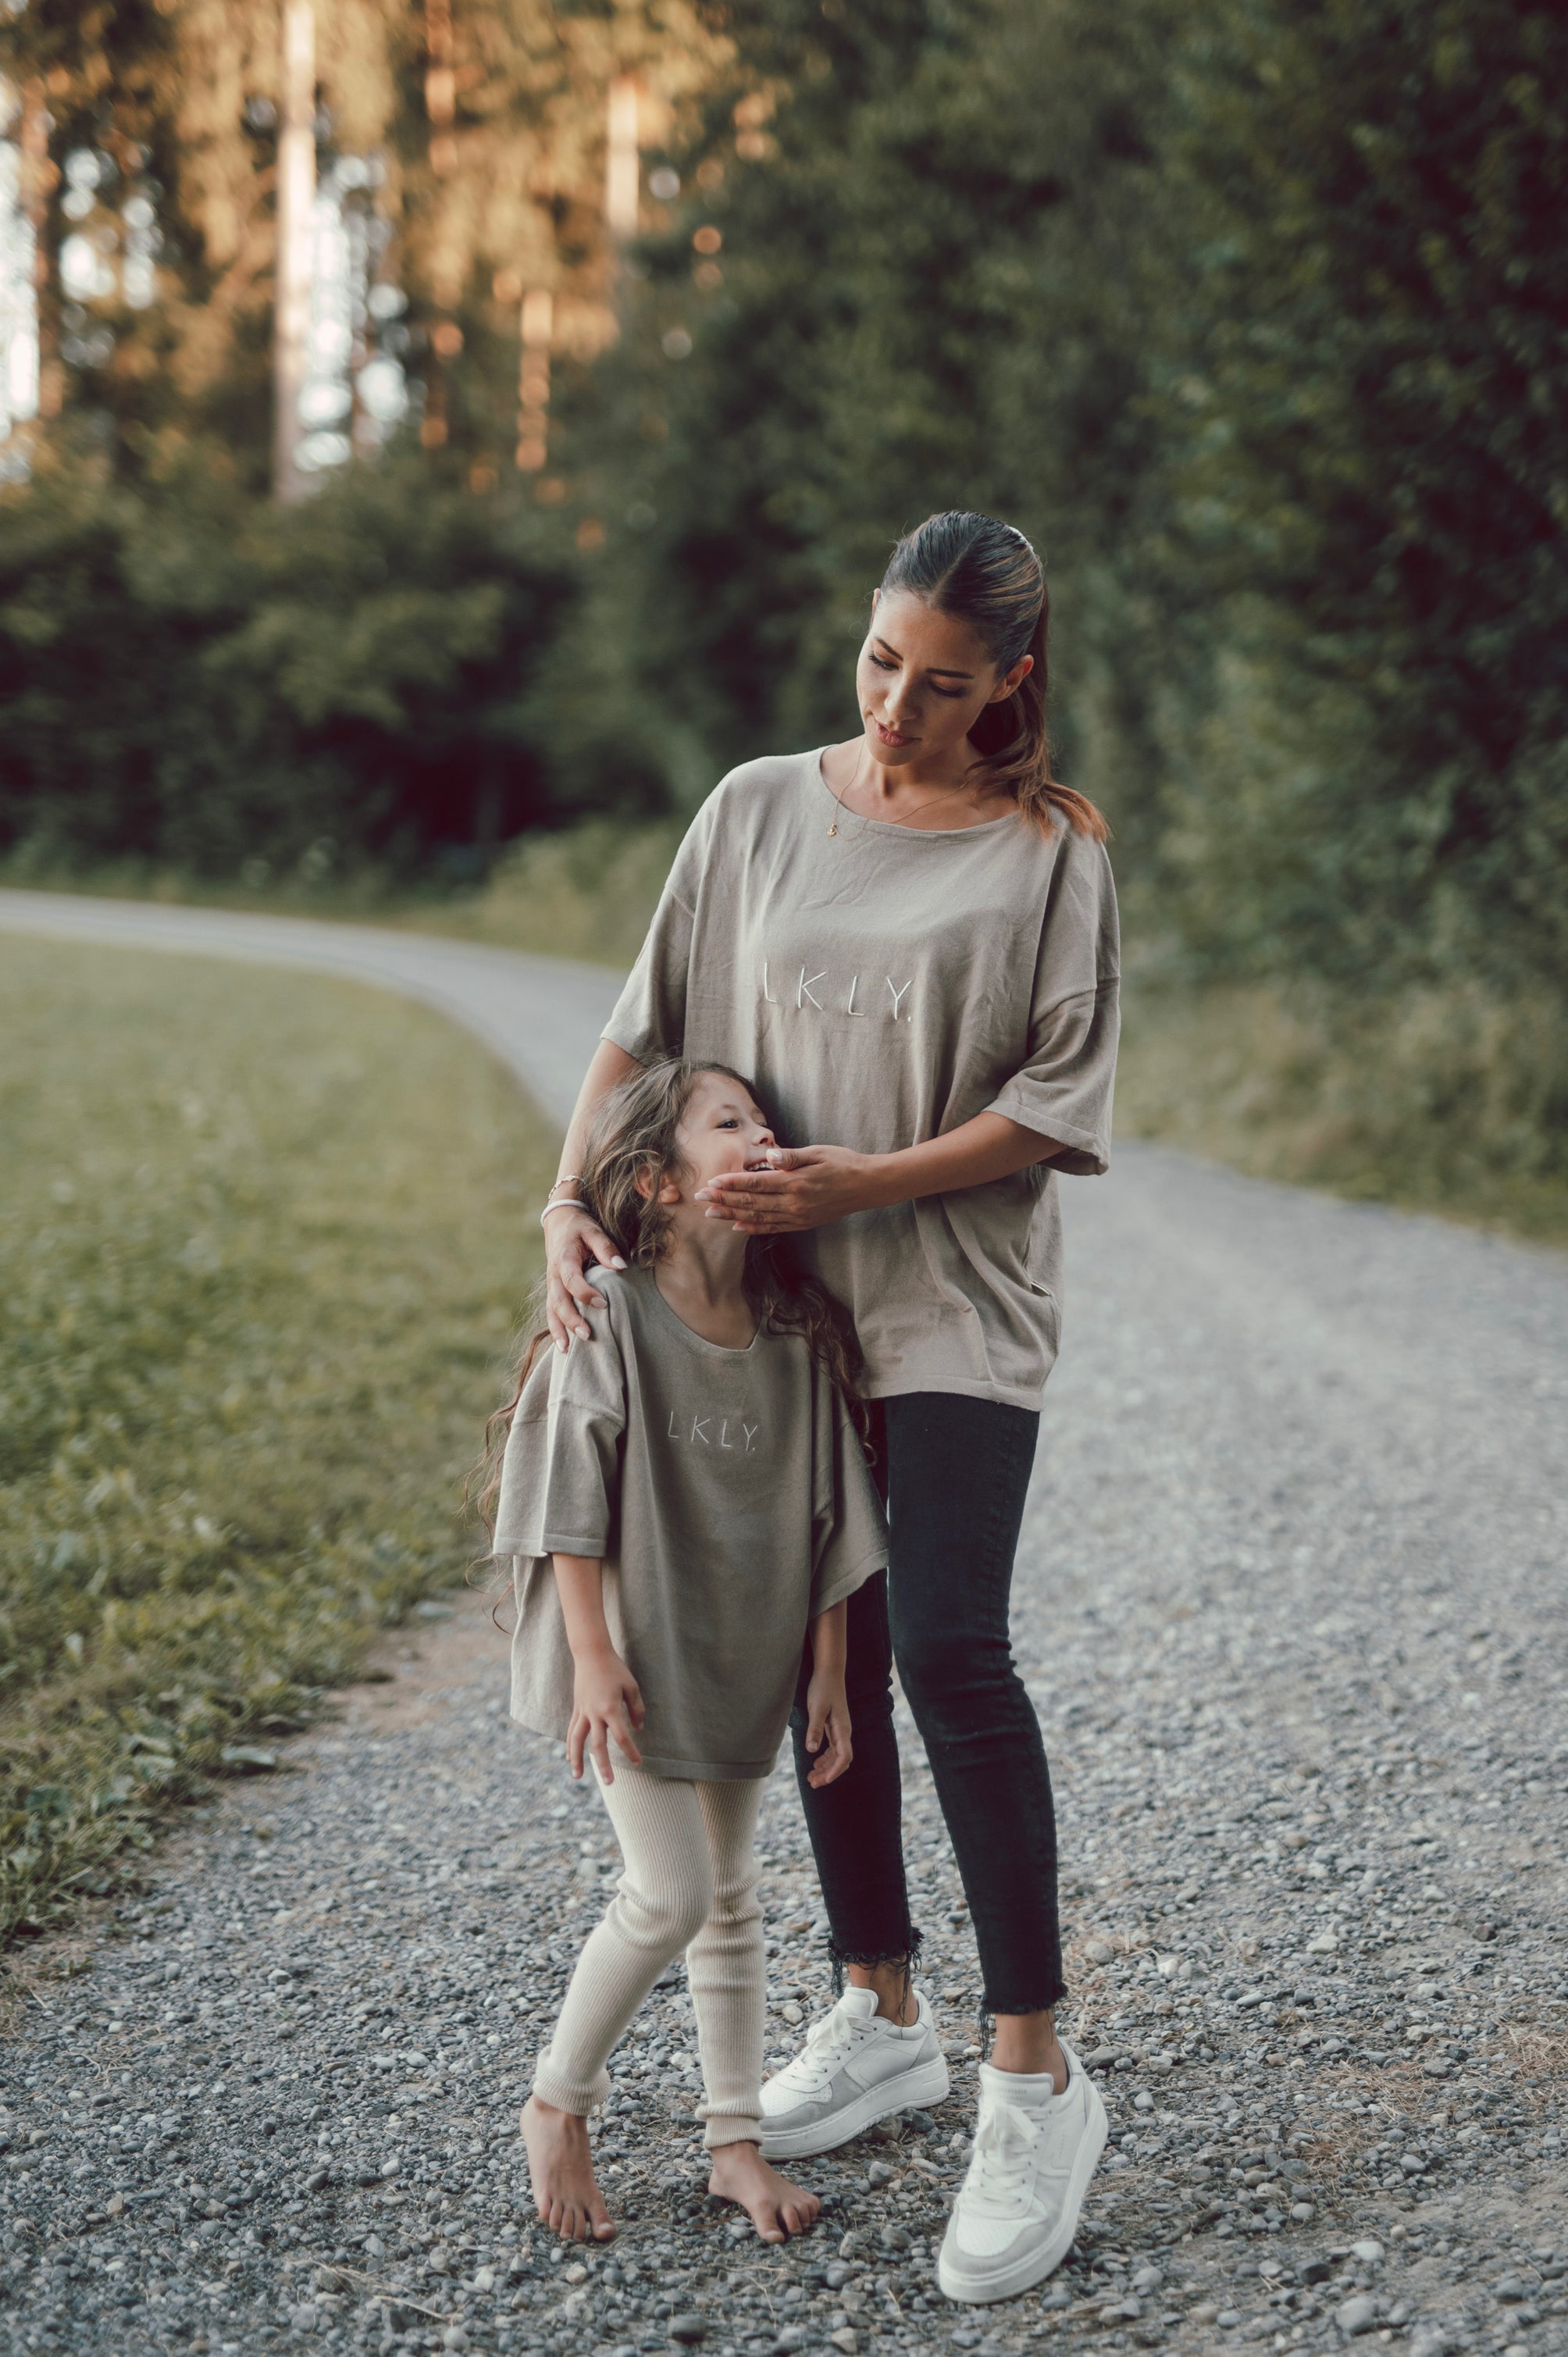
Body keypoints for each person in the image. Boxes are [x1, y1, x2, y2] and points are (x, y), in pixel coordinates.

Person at [541, 511, 1121, 2305]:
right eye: (878, 662)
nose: (894, 708)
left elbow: (1049, 1105)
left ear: (1009, 680)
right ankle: (879, 2003)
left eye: (941, 685)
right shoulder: (753, 811)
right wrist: (567, 1197)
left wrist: (856, 1186)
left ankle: (1034, 2073)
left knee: (947, 1648)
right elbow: (639, 1040)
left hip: (949, 1301)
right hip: (771, 1318)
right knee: (822, 1667)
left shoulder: (1046, 855)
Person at [480, 1060, 888, 2245]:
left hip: (737, 1655)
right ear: (656, 1180)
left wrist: (825, 1671)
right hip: (625, 1657)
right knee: (670, 1893)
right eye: (730, 1124)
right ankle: (558, 2103)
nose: (762, 1135)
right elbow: (566, 1497)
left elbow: (828, 1517)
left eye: (767, 1123)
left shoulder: (799, 1338)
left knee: (734, 1902)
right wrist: (594, 1658)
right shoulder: (606, 1313)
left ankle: (733, 2144)